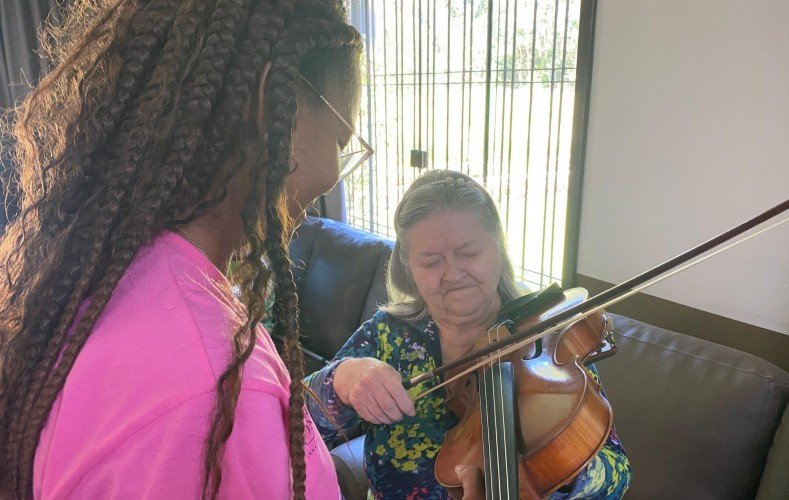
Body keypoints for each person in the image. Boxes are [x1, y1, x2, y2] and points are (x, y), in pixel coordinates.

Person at [0, 1, 365, 498]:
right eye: (342, 140)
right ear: (267, 104)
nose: (334, 172)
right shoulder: (212, 394)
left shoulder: (114, 273)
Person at [305, 169, 632, 499]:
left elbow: (615, 471)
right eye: (431, 262)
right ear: (408, 267)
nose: (453, 274)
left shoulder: (545, 334)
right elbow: (296, 423)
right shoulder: (388, 335)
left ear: (498, 251)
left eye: (469, 253)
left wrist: (554, 470)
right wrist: (343, 379)